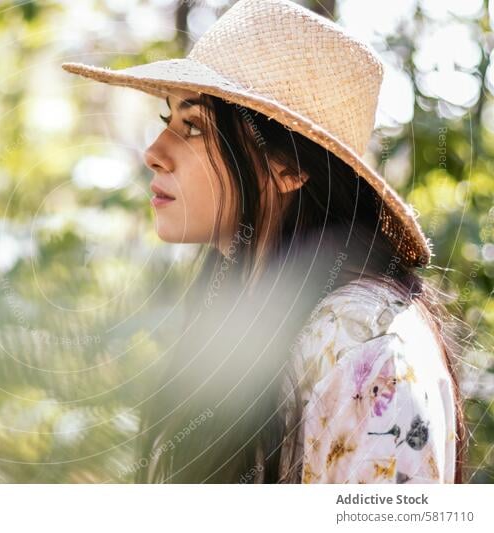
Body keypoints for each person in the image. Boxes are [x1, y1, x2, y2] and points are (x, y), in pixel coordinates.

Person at [61, 0, 468, 483]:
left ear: (290, 166)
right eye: (167, 119)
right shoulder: (245, 309)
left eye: (193, 126)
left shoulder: (367, 350)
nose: (154, 152)